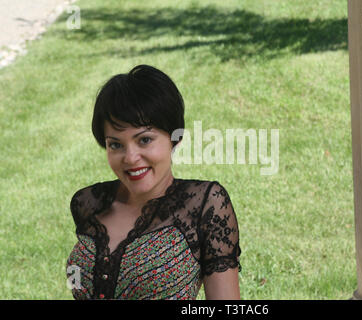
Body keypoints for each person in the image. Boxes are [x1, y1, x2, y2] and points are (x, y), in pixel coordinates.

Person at [66, 65, 241, 300]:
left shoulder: (204, 205)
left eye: (145, 140)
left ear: (174, 138)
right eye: (115, 144)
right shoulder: (88, 202)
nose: (130, 158)